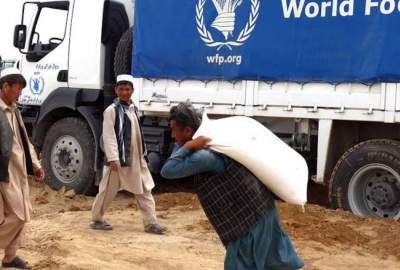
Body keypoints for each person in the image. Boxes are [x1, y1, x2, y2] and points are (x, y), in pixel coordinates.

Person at [161, 102, 304, 270]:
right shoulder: (215, 144)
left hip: (248, 225)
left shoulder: (204, 156)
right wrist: (186, 144)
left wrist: (186, 146)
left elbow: (168, 170)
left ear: (188, 131)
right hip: (263, 212)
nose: (172, 135)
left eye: (174, 130)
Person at [91, 74, 167, 235]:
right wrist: (113, 158)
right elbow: (109, 135)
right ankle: (97, 219)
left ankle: (151, 223)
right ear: (116, 90)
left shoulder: (133, 108)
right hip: (118, 161)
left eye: (127, 89)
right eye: (121, 89)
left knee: (144, 189)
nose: (125, 92)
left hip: (136, 159)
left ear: (132, 90)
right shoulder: (111, 111)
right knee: (107, 191)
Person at [0, 68, 44, 269]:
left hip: (17, 172)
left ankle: (9, 258)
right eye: (17, 89)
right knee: (16, 215)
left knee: (23, 214)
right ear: (5, 86)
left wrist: (35, 164)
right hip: (3, 173)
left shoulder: (14, 110)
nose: (20, 94)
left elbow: (25, 142)